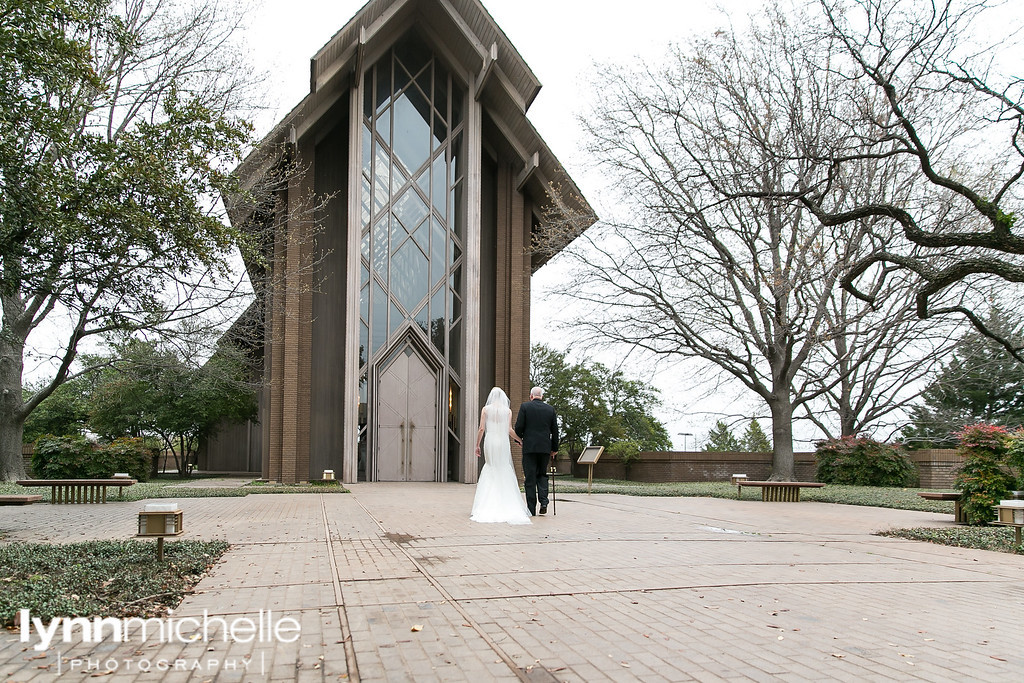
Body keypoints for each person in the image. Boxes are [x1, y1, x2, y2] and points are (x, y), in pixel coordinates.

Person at [470, 387, 532, 525]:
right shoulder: (507, 411)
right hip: (503, 442)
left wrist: (477, 445)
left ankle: (487, 503)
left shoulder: (486, 409)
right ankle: (507, 502)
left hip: (490, 440)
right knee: (503, 467)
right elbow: (509, 430)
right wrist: (520, 440)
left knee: (491, 467)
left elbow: (481, 428)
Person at [514, 386, 559, 516]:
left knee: (530, 478)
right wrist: (554, 449)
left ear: (531, 396)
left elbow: (519, 427)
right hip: (545, 448)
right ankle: (544, 502)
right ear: (542, 396)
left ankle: (531, 509)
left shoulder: (525, 407)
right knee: (542, 475)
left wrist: (520, 440)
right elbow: (555, 431)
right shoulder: (550, 409)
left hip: (529, 447)